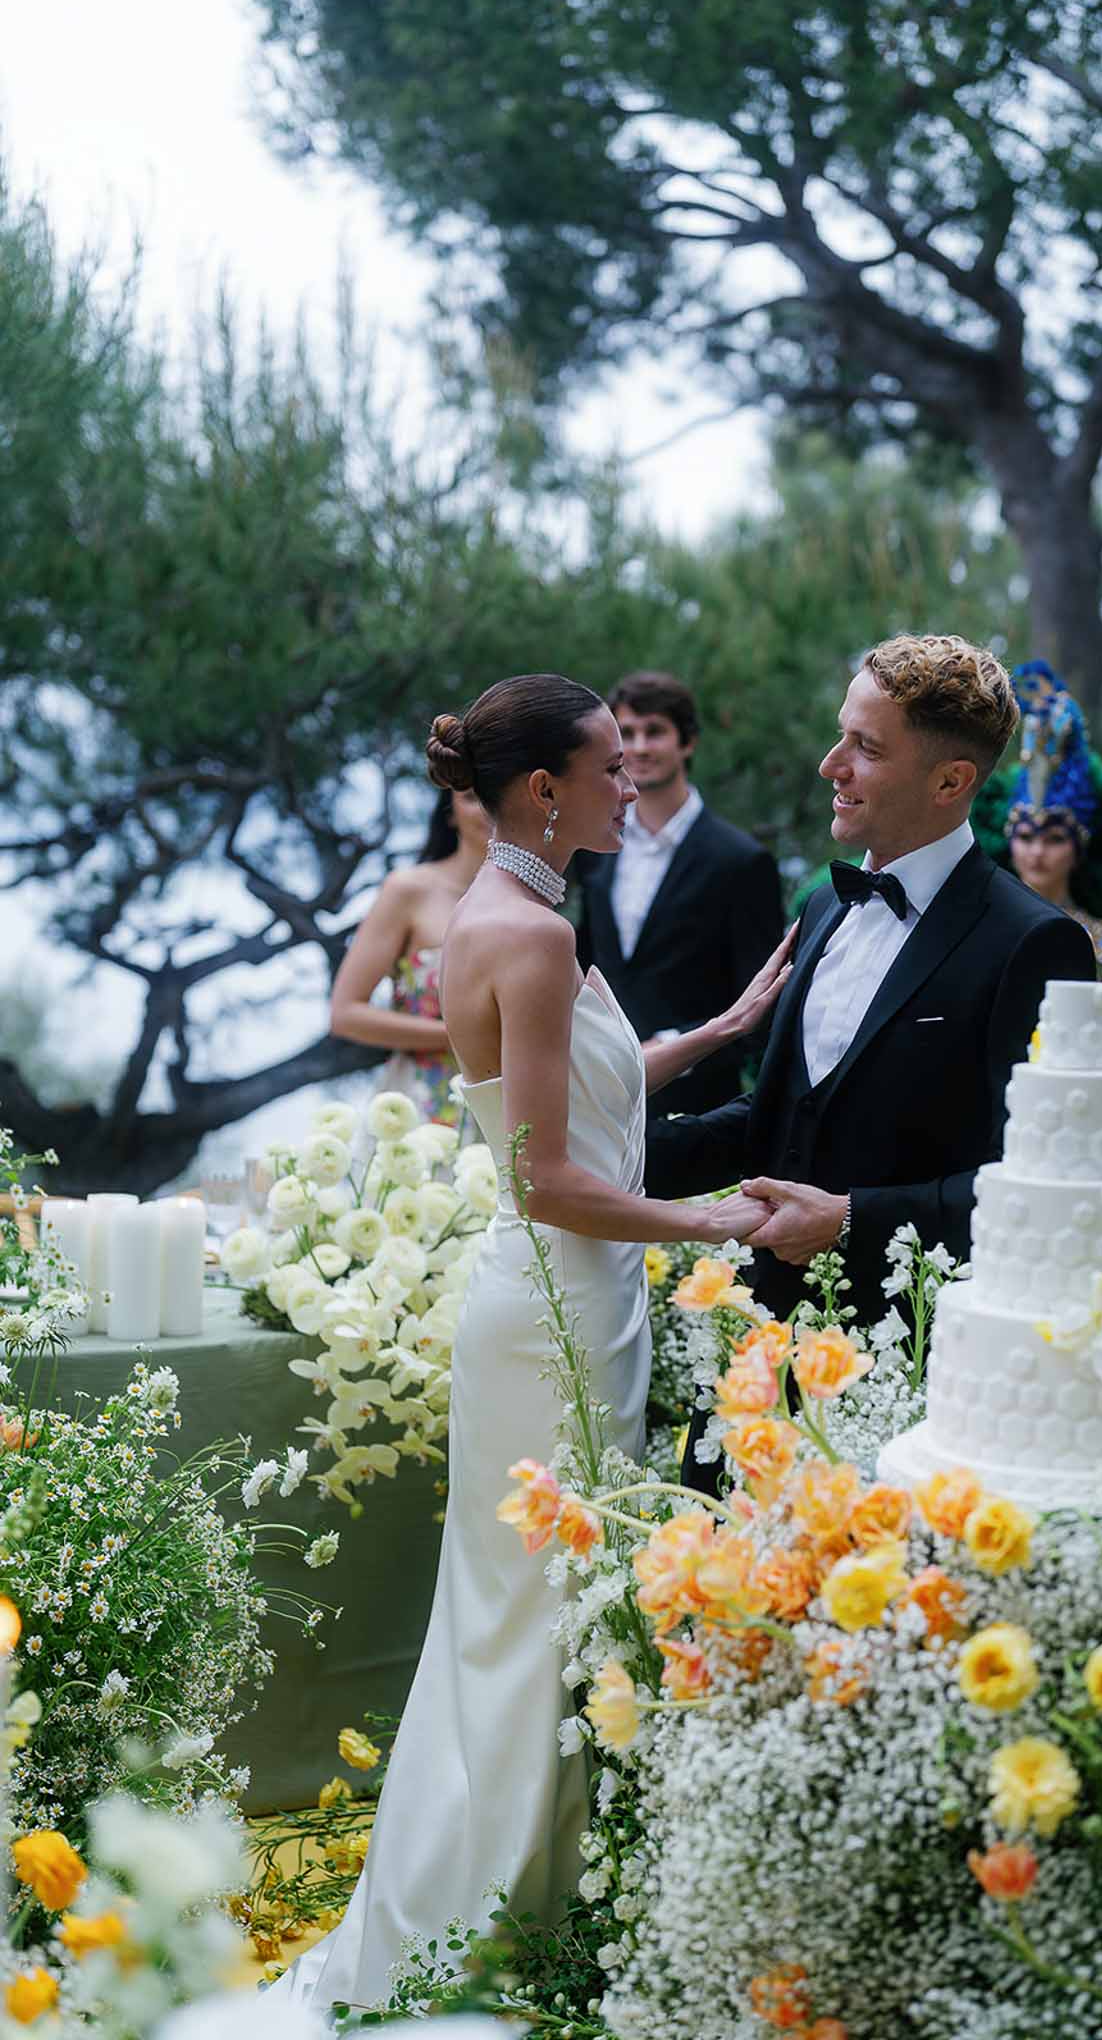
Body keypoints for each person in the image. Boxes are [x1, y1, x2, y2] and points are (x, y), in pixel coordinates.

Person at [271, 673, 790, 2013]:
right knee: (528, 1618)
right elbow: (546, 1175)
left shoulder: (514, 913)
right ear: (546, 790)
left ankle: (516, 1903)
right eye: (609, 770)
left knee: (532, 1612)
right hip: (554, 1306)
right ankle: (490, 1921)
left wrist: (717, 1035)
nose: (632, 789)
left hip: (572, 1302)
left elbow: (576, 1094)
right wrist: (712, 1218)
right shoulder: (535, 933)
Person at [644, 632, 1097, 1491]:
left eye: (865, 747)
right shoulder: (822, 906)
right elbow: (775, 1116)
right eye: (839, 734)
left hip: (910, 1379)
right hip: (758, 1355)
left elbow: (1035, 1189)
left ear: (951, 781)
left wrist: (854, 1216)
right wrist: (601, 1154)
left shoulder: (1035, 943)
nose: (829, 765)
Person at [575, 670, 785, 1115]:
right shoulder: (594, 848)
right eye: (627, 734)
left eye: (655, 732)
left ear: (686, 742)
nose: (640, 747)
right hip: (600, 1096)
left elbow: (761, 999)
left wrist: (676, 1045)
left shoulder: (742, 861)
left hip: (698, 1107)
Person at [1004, 659, 1102, 1159]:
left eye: (1052, 837)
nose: (1036, 852)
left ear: (1077, 846)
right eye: (1025, 835)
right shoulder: (984, 927)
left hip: (1079, 1136)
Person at [329, 787, 491, 1125]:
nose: (491, 808)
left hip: (507, 1105)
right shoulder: (409, 890)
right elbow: (345, 1013)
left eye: (501, 793)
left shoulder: (540, 902)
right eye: (475, 797)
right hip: (422, 1108)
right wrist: (460, 1035)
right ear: (450, 812)